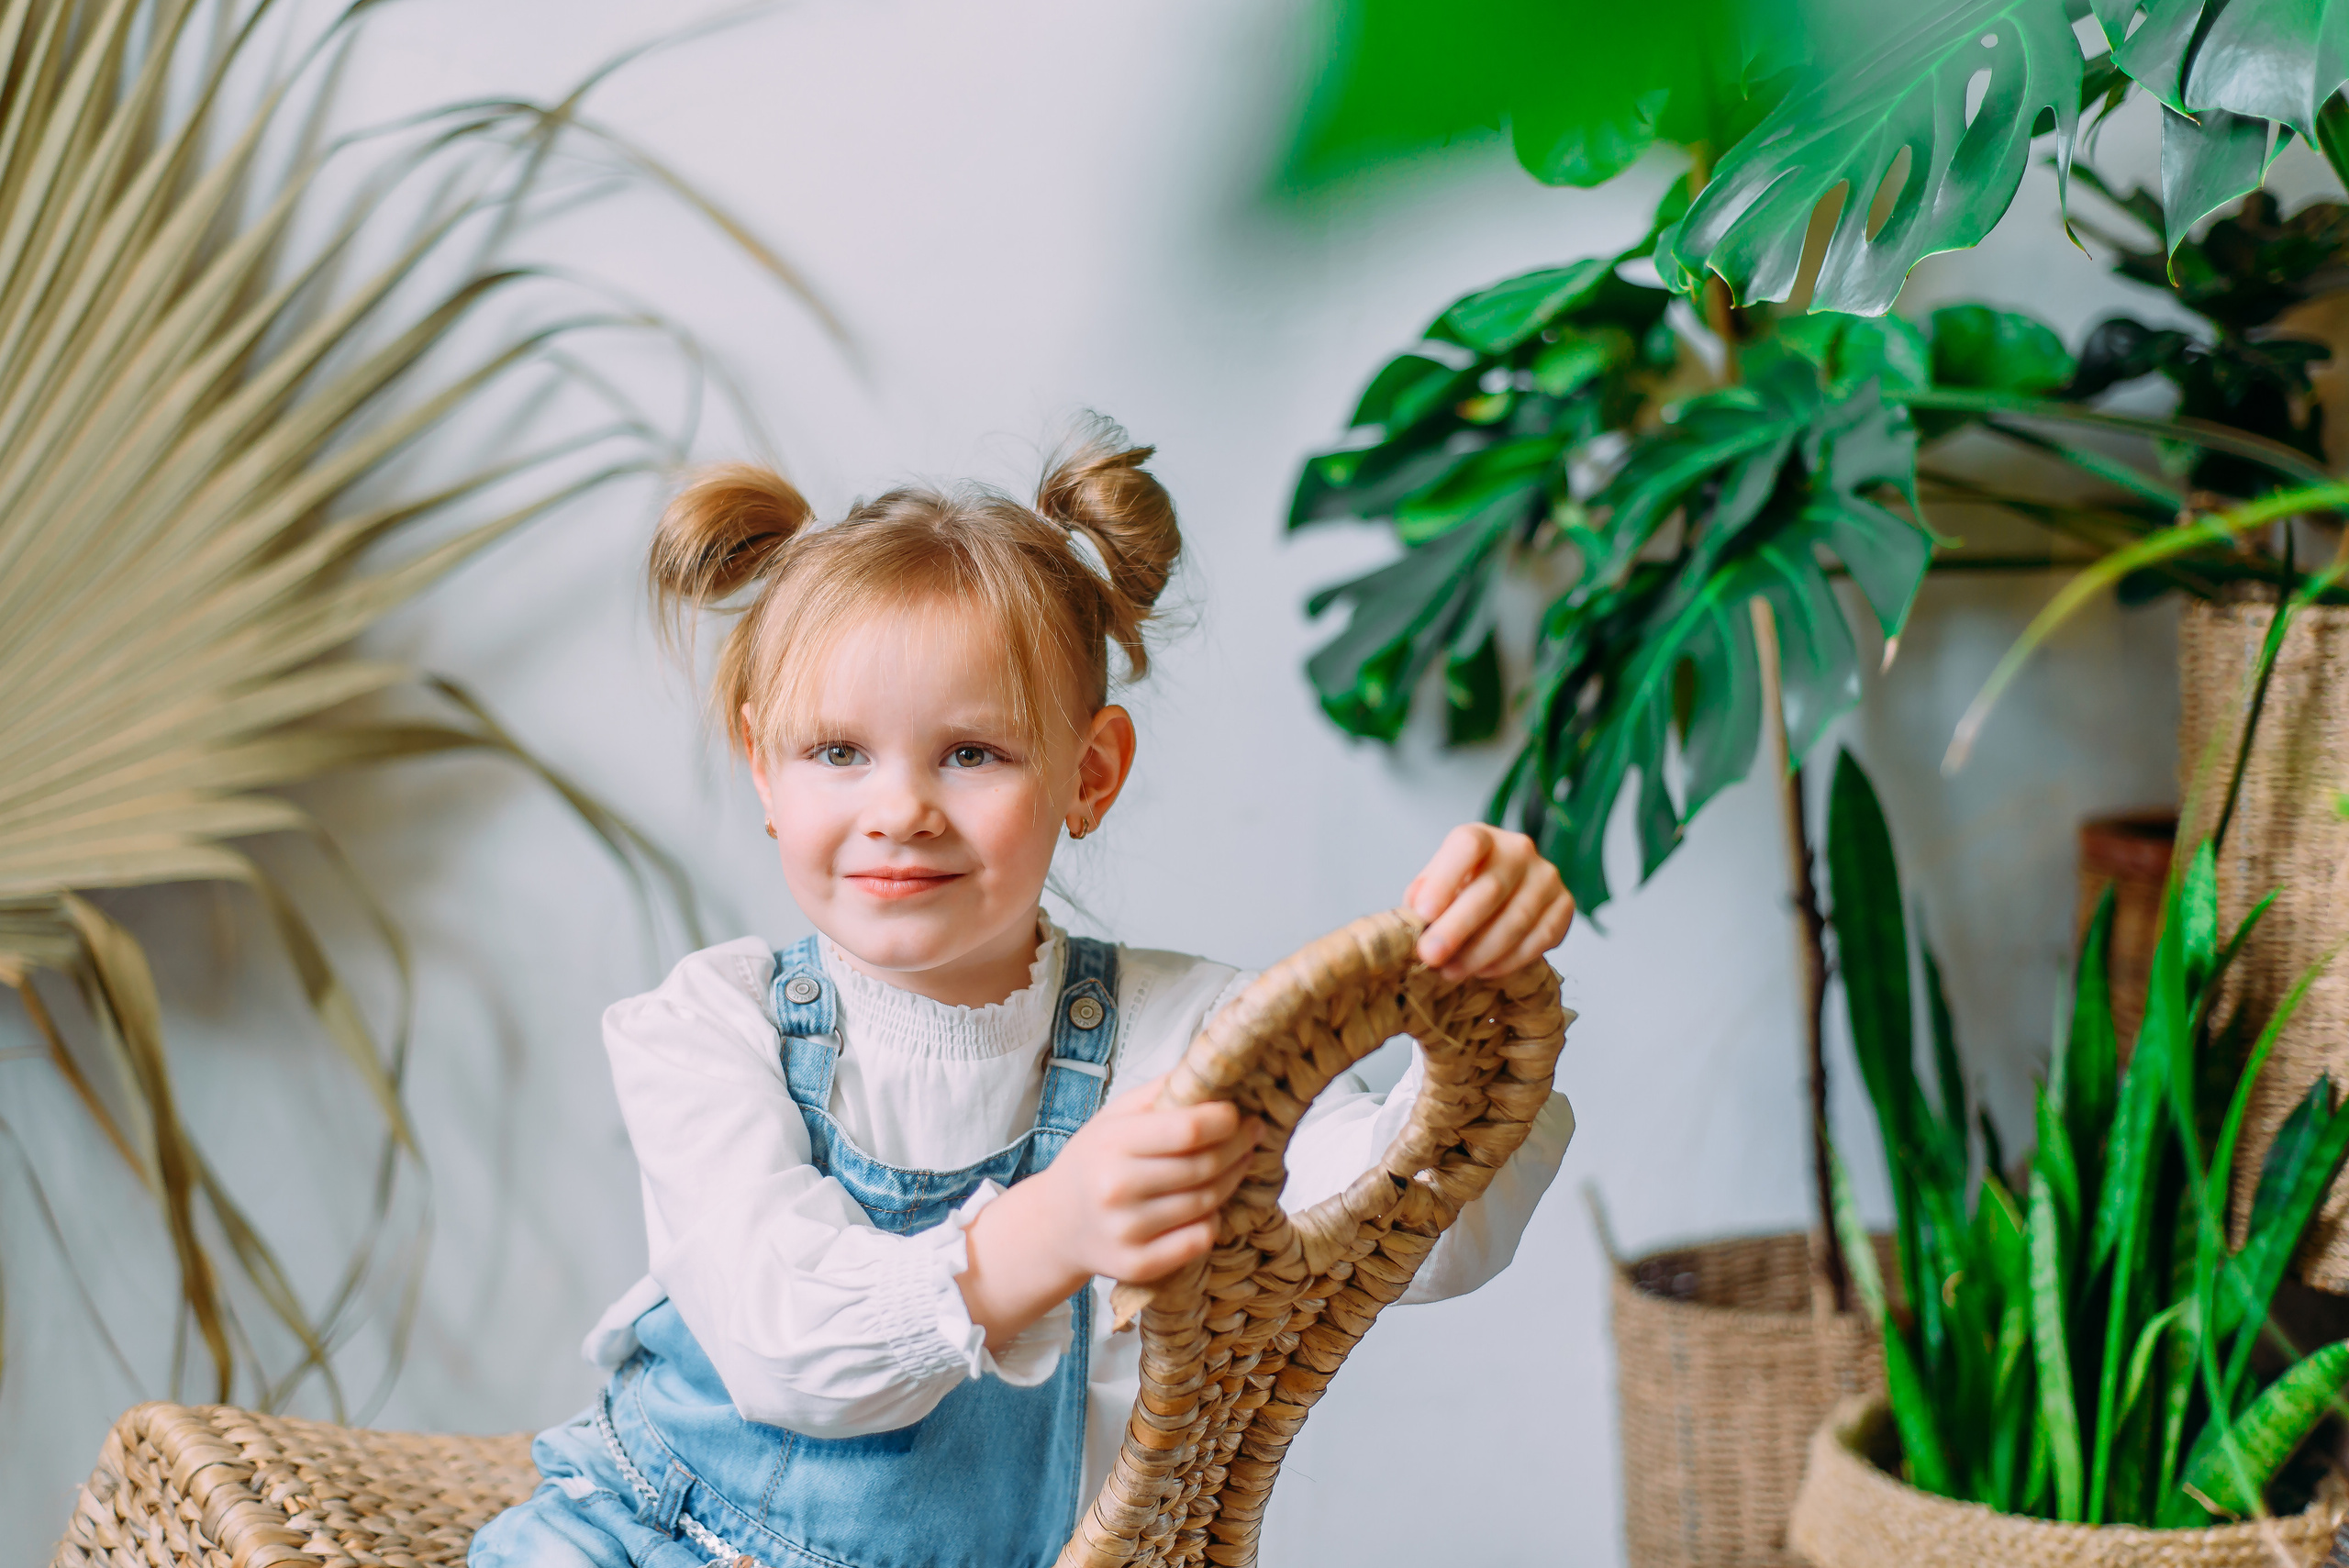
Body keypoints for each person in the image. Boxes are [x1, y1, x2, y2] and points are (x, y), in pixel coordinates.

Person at [469, 420, 1577, 1568]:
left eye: (972, 753)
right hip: (647, 1539)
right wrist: (1052, 1226)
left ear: (1088, 773)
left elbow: (1414, 1234)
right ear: (764, 765)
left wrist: (1479, 991)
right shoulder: (712, 1025)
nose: (900, 808)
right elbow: (780, 1341)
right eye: (837, 752)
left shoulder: (1178, 1038)